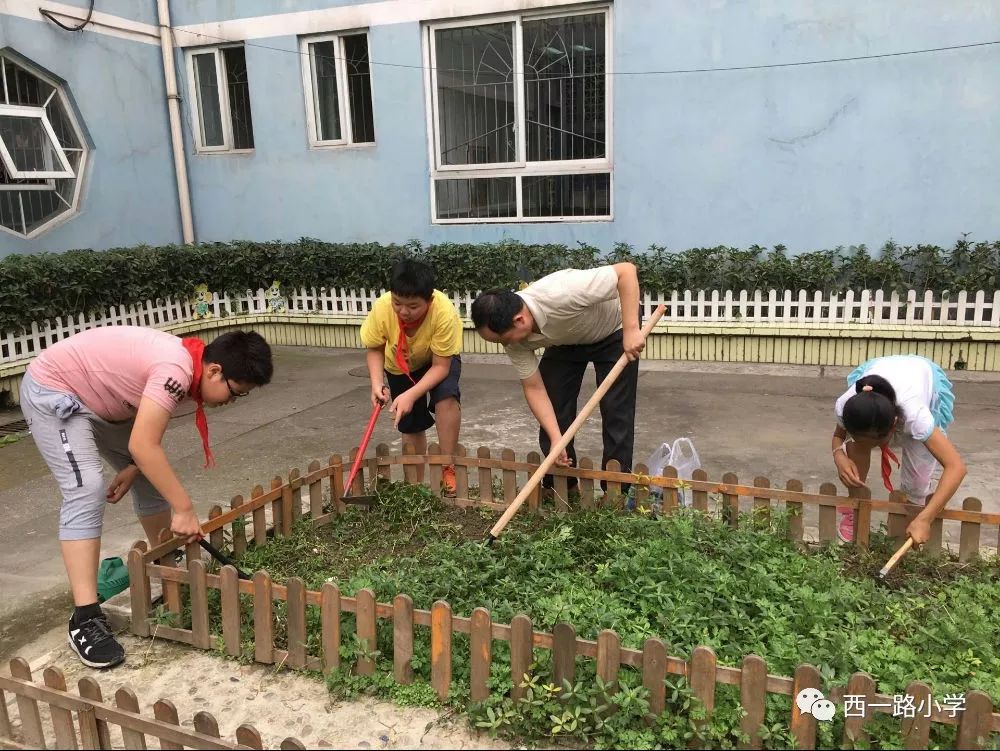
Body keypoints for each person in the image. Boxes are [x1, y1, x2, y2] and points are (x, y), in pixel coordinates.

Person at [20, 327, 273, 669]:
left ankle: (165, 567)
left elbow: (145, 441)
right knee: (86, 488)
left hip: (106, 400)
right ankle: (84, 619)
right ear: (214, 371)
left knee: (153, 480)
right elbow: (143, 443)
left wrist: (134, 465)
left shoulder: (189, 367)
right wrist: (183, 508)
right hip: (56, 391)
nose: (232, 400)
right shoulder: (176, 371)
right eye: (236, 392)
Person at [470, 263, 645, 493]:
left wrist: (631, 329)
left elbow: (626, 272)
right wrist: (556, 438)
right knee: (554, 403)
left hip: (613, 329)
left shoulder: (563, 292)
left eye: (503, 340)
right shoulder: (514, 338)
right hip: (566, 340)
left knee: (616, 409)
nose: (504, 346)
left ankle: (616, 491)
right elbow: (534, 388)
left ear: (519, 320)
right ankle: (562, 485)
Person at [831, 354, 965, 544]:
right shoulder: (849, 406)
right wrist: (840, 457)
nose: (871, 448)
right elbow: (838, 436)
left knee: (918, 480)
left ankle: (914, 519)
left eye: (875, 442)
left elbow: (956, 467)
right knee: (855, 448)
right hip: (883, 370)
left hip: (919, 374)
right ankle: (855, 510)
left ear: (895, 424)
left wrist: (926, 519)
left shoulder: (916, 415)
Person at [361, 259, 463, 495]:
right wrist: (376, 384)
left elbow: (440, 367)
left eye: (413, 306)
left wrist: (411, 394)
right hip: (399, 363)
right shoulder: (383, 307)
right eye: (398, 303)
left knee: (445, 398)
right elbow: (375, 347)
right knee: (410, 421)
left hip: (437, 360)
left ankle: (448, 467)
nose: (403, 311)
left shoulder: (444, 312)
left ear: (429, 300)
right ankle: (415, 487)